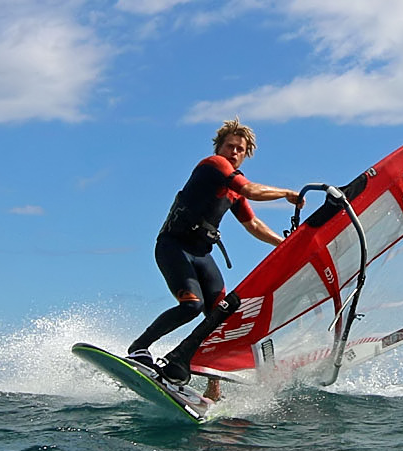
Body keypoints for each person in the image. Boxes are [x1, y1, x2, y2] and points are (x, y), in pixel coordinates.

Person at [127, 118, 301, 400]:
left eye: (239, 149)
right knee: (191, 306)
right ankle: (139, 348)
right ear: (219, 148)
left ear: (246, 154)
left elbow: (254, 226)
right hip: (174, 247)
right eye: (229, 146)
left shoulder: (233, 189)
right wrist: (286, 194)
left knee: (221, 320)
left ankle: (212, 386)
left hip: (202, 255)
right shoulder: (213, 165)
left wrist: (285, 245)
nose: (233, 152)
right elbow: (252, 191)